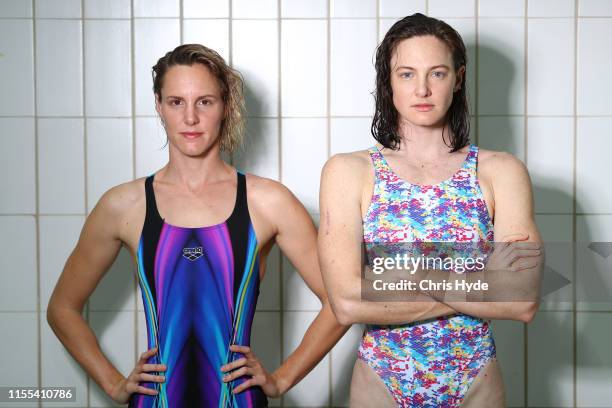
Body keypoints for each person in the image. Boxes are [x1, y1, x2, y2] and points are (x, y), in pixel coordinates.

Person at [47, 43, 347, 407]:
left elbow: (341, 301)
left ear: (226, 106)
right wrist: (113, 385)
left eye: (204, 102)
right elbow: (62, 308)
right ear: (159, 106)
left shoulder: (268, 202)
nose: (190, 118)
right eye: (176, 102)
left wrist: (282, 378)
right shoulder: (124, 205)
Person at [318, 13, 543, 407]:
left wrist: (406, 278)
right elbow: (347, 302)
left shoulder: (500, 171)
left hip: (475, 377)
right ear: (387, 82)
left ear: (458, 78)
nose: (422, 88)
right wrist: (481, 282)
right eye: (406, 74)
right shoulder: (349, 171)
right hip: (382, 378)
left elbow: (522, 299)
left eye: (436, 73)